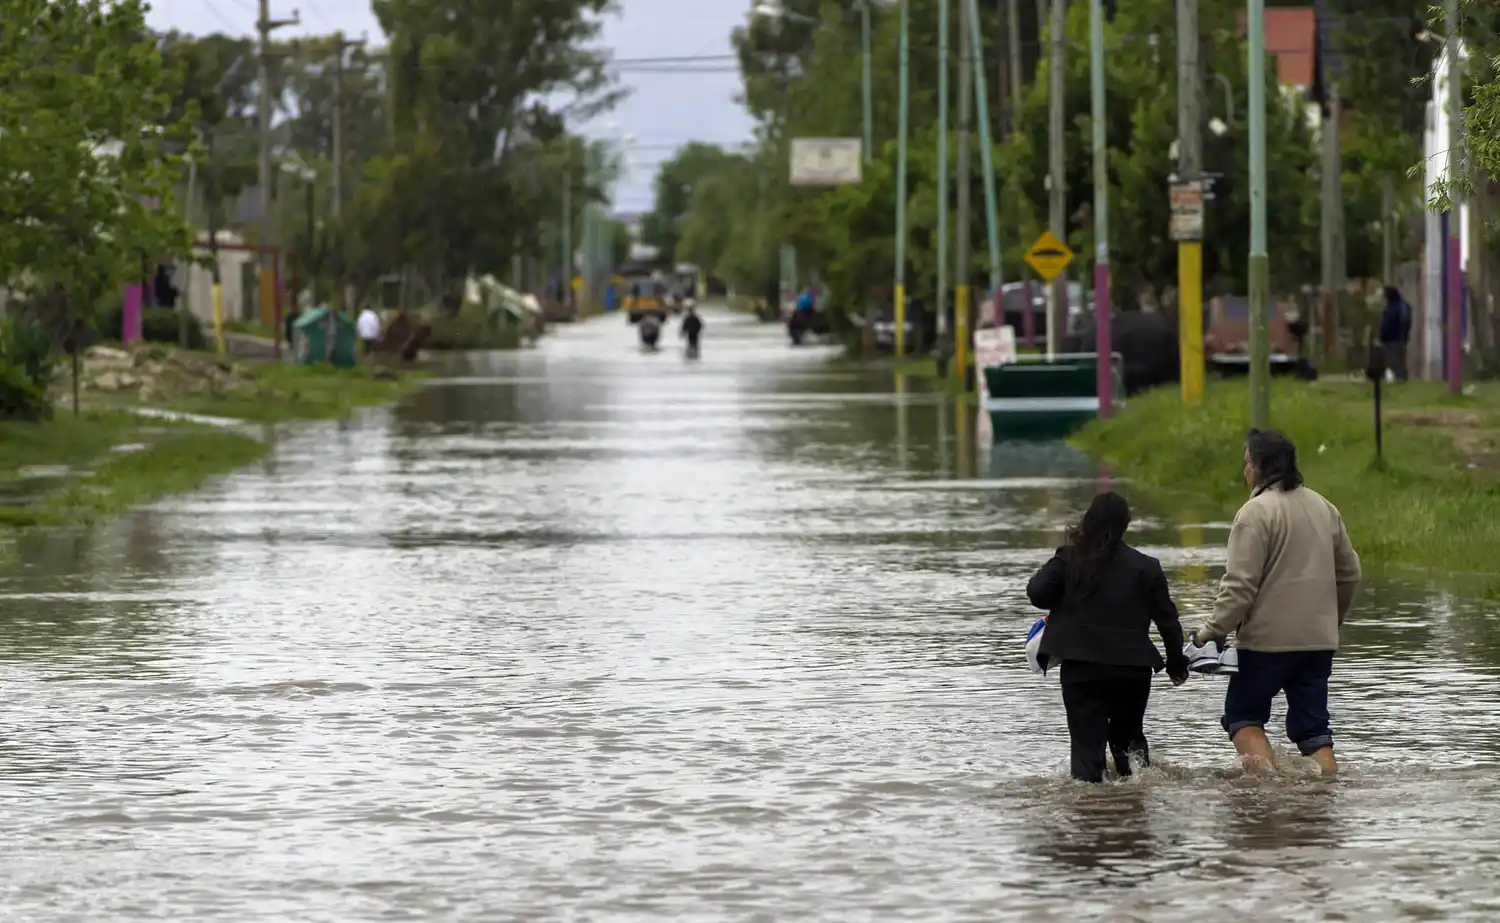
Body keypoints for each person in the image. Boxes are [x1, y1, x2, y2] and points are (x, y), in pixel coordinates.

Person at [1184, 429, 1361, 775]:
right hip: (1318, 642)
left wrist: (1210, 633)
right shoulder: (1324, 507)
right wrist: (1330, 621)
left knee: (1243, 717)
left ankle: (1268, 798)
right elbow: (1350, 573)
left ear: (1261, 467)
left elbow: (1239, 586)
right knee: (1314, 733)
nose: (1244, 471)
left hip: (1265, 645)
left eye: (1247, 463)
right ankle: (1324, 795)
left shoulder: (1255, 514)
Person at [1026, 492, 1190, 783]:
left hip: (1081, 669)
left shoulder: (1070, 559)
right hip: (1132, 671)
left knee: (1087, 752)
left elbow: (1037, 592)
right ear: (1125, 526)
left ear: (1089, 521)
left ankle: (1094, 816)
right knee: (1129, 747)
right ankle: (1135, 808)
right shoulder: (1146, 567)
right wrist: (1177, 663)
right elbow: (1168, 620)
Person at [1379, 285, 1412, 382]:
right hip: (1401, 338)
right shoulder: (1403, 306)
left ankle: (1398, 378)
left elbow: (1387, 324)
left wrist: (1382, 336)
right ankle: (1401, 378)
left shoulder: (1391, 308)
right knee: (1399, 360)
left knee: (1393, 360)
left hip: (1391, 338)